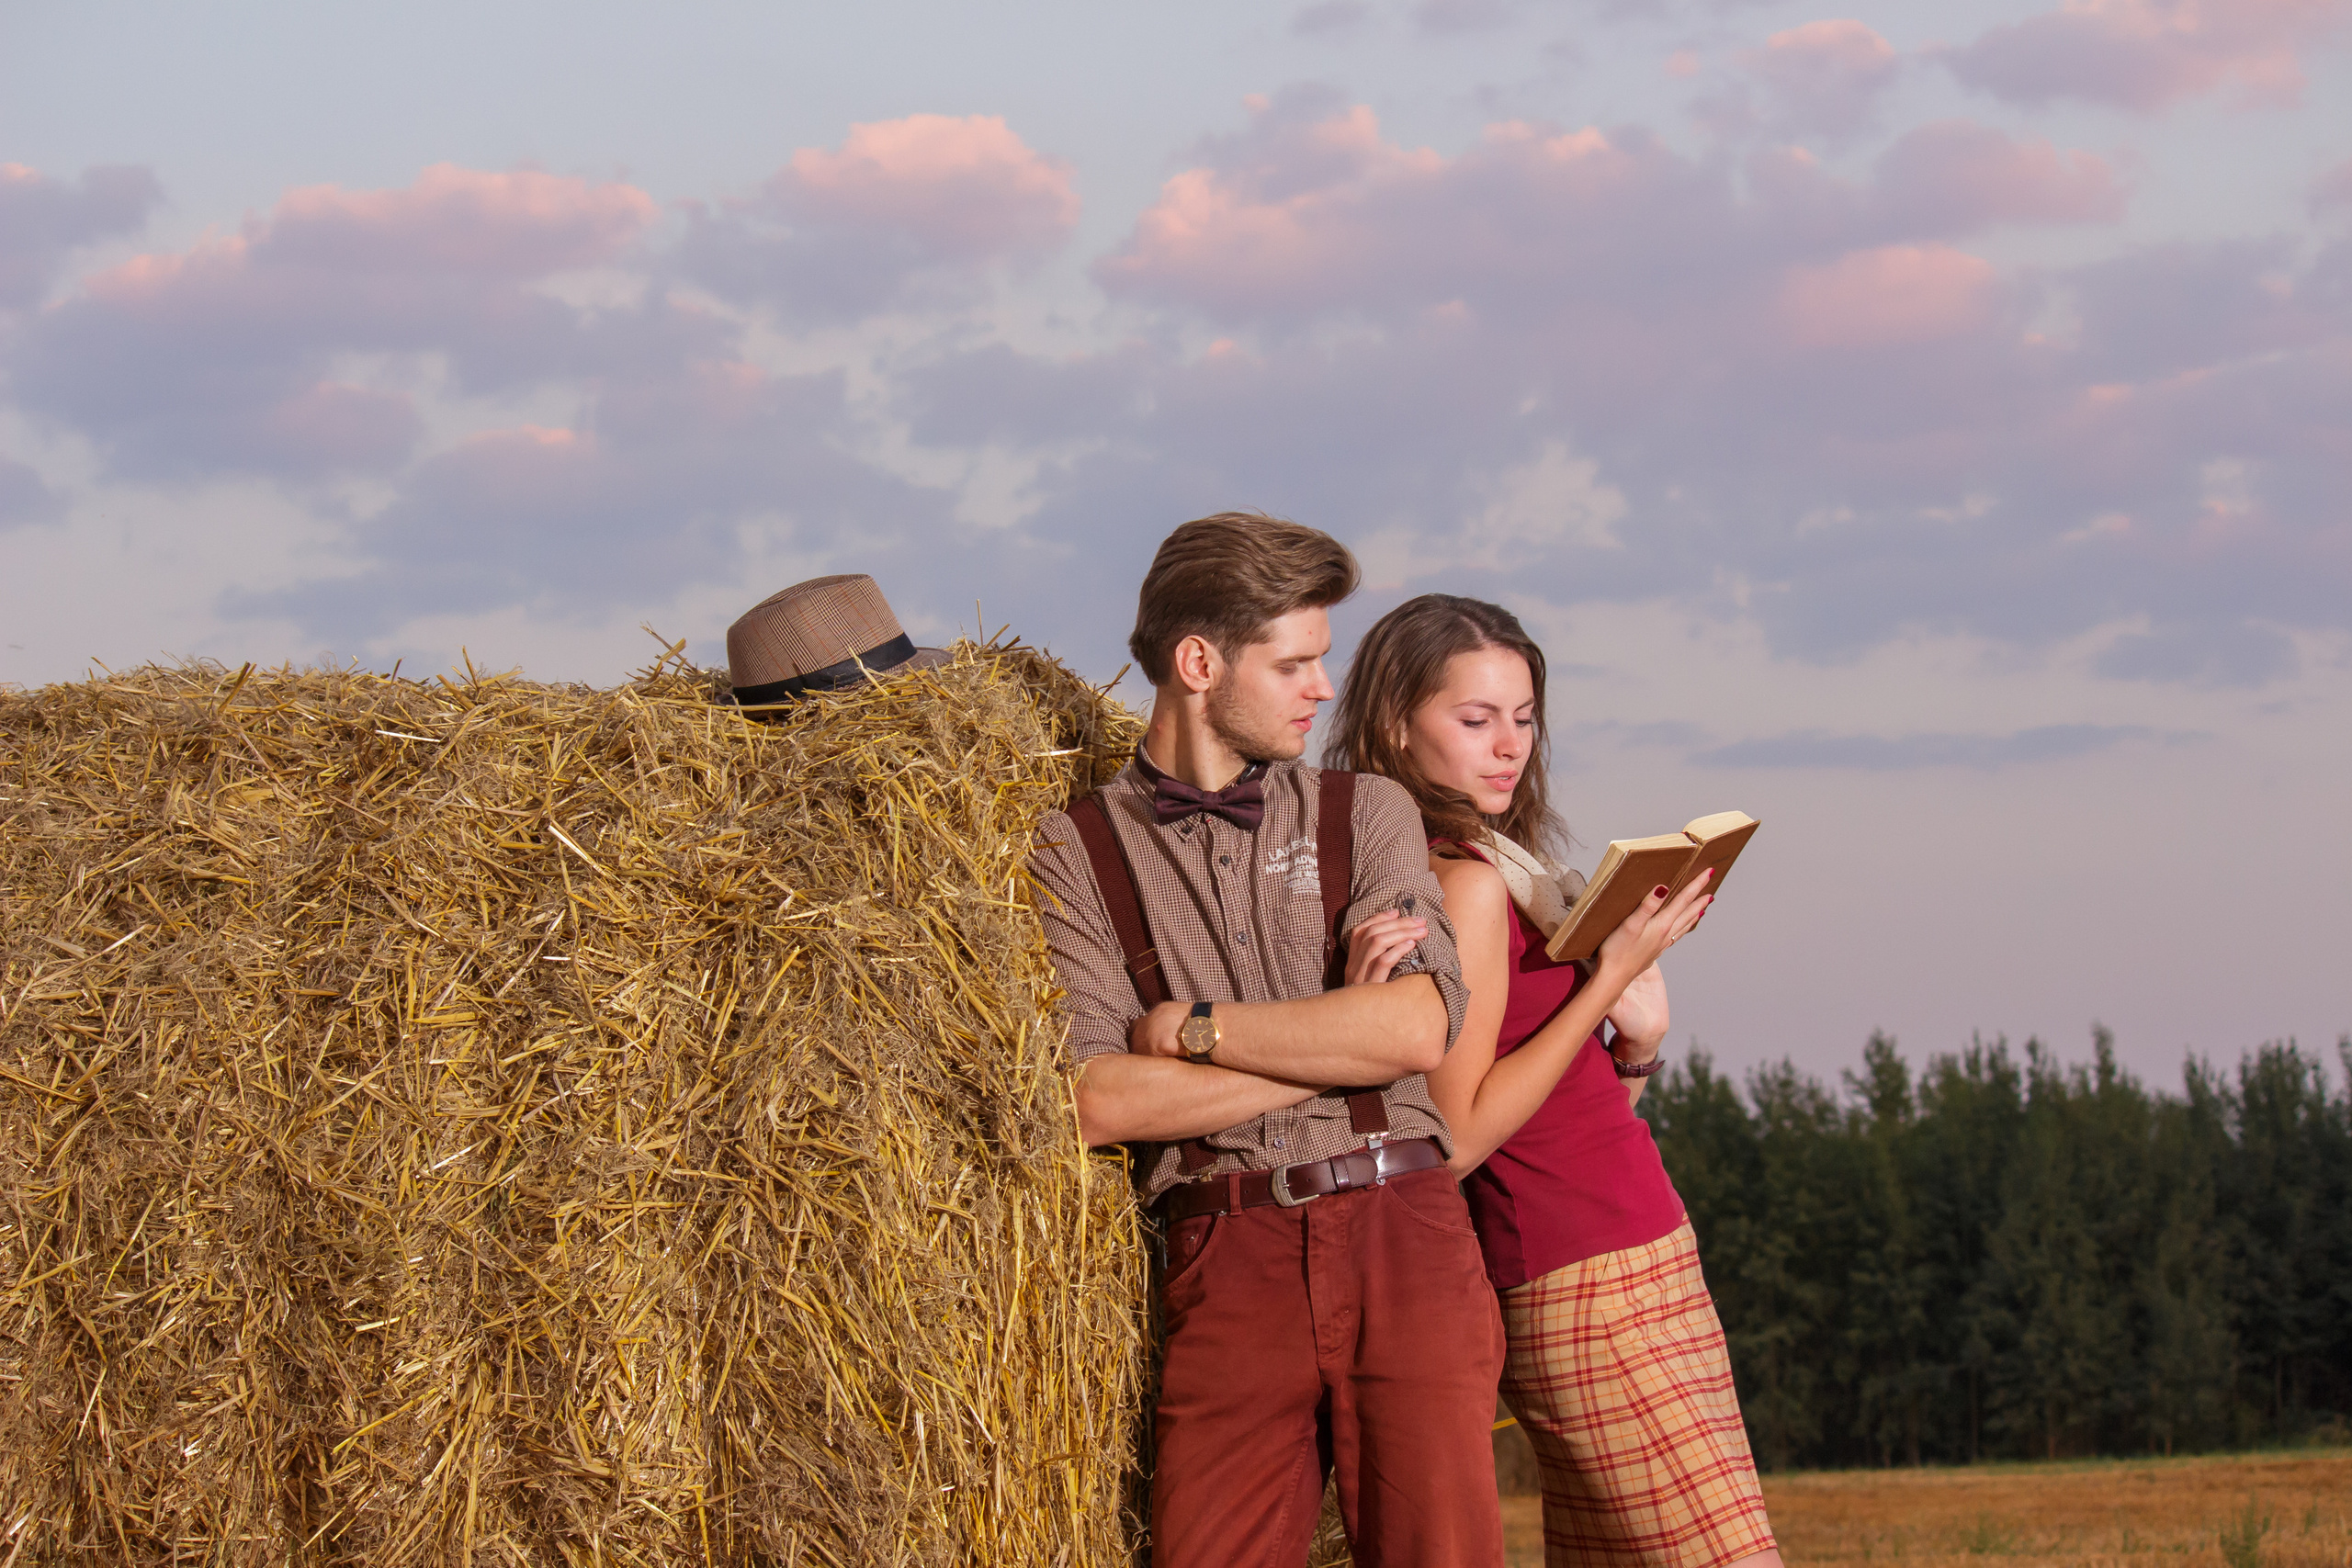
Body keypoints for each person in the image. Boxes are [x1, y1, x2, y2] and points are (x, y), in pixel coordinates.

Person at [1030, 516, 1507, 1568]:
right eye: (1294, 662)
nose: (1323, 688)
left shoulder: (1366, 810)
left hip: (1404, 1236)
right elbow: (1100, 1101)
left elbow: (1416, 1025)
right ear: (1199, 663)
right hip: (1225, 1254)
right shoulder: (1077, 848)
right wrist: (1333, 1033)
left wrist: (1191, 1034)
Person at [1326, 593, 1782, 1568]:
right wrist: (1608, 978)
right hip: (1584, 1282)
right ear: (1396, 725)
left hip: (1635, 1249)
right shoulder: (1466, 884)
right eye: (1475, 718)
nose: (1509, 746)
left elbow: (1559, 1118)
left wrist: (1635, 1051)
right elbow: (1453, 1138)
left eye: (1523, 718)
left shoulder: (1501, 863)